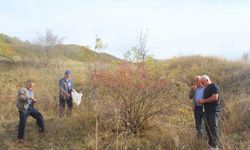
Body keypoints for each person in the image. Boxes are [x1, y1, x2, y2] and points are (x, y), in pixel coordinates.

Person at [198, 75, 221, 150]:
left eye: (203, 82)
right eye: (201, 82)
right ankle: (210, 145)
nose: (202, 84)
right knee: (208, 128)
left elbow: (214, 97)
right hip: (207, 112)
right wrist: (201, 101)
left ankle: (214, 147)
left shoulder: (214, 86)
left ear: (207, 80)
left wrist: (203, 101)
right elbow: (206, 100)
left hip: (213, 111)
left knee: (213, 127)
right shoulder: (206, 89)